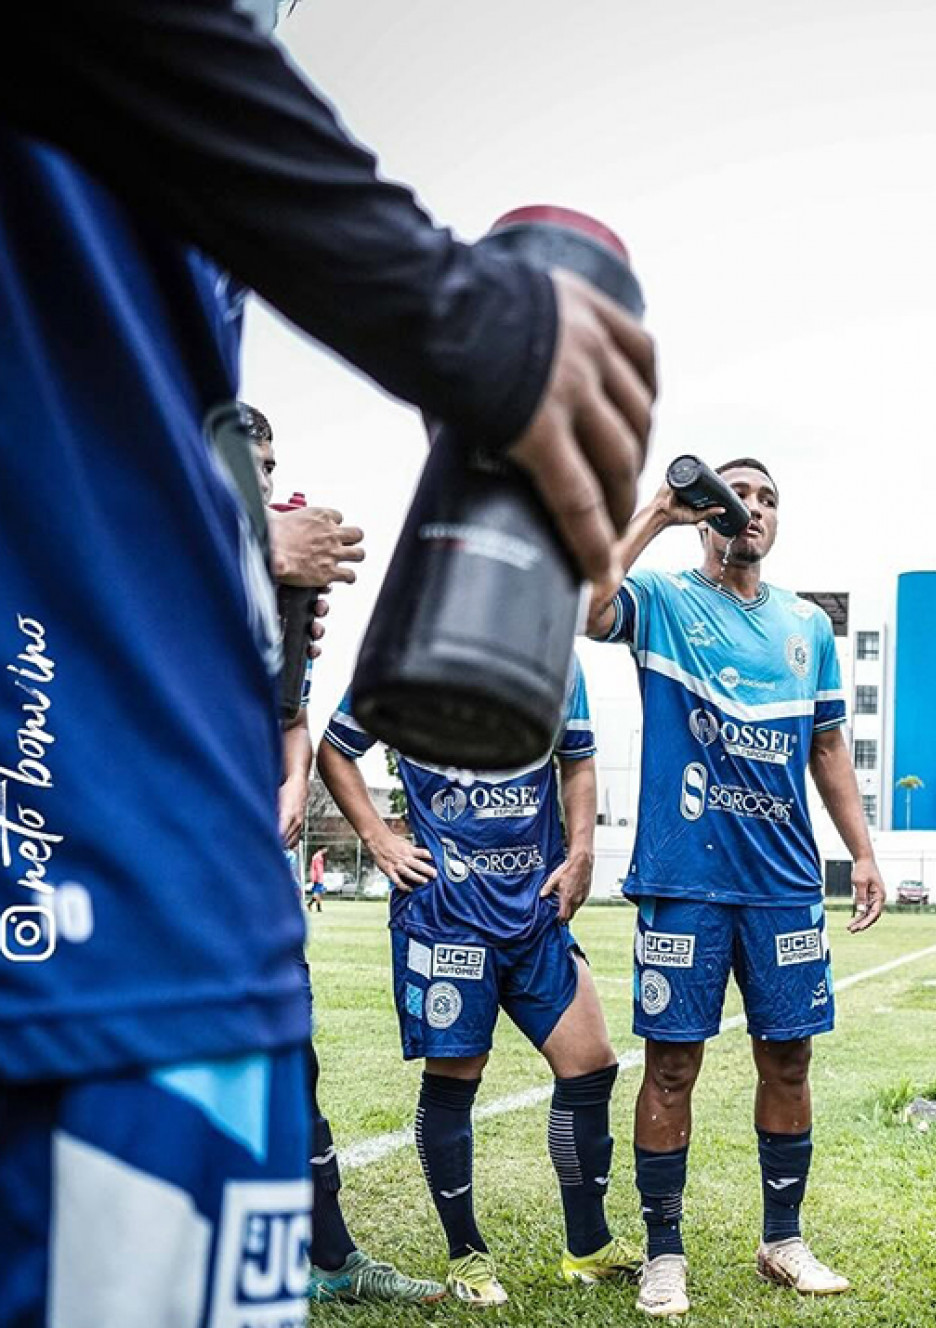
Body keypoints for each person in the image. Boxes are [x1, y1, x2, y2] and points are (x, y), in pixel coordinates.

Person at [0, 4, 654, 1324]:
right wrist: (442, 304)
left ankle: (466, 1239)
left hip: (194, 895)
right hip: (82, 899)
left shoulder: (147, 193)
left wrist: (247, 559)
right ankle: (454, 1239)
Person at [585, 459, 888, 1318]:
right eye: (737, 496)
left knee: (788, 1058)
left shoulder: (806, 626)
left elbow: (828, 749)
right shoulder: (666, 600)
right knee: (673, 1065)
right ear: (709, 513)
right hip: (685, 876)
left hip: (785, 881)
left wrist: (859, 853)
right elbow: (587, 609)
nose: (751, 509)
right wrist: (656, 512)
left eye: (766, 500)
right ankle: (664, 1253)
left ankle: (781, 1240)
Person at [318, 661, 643, 1305]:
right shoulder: (412, 647)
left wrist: (581, 855)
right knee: (455, 1082)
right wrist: (378, 838)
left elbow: (577, 761)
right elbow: (335, 750)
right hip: (448, 919)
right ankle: (466, 1255)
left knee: (590, 1065)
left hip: (537, 907)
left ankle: (589, 1247)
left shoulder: (557, 657)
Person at [247, 404, 443, 1305]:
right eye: (238, 467)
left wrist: (291, 785)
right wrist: (250, 542)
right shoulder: (142, 553)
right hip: (142, 852)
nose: (261, 484)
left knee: (294, 1046)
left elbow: (292, 713)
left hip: (248, 858)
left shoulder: (277, 591)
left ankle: (329, 1257)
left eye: (268, 468)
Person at [306, 846, 327, 913]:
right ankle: (310, 904)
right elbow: (318, 868)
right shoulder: (318, 857)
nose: (326, 850)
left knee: (318, 893)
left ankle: (318, 908)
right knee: (317, 892)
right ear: (322, 849)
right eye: (326, 849)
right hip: (317, 877)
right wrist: (319, 877)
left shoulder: (316, 856)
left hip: (315, 876)